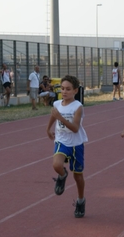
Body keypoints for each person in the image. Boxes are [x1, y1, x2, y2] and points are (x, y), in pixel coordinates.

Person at [46, 75, 88, 218]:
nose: (64, 92)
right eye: (62, 89)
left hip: (76, 144)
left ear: (75, 90)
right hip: (61, 141)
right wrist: (48, 128)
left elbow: (75, 128)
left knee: (78, 176)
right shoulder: (57, 104)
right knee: (56, 165)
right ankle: (62, 176)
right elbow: (54, 115)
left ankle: (81, 201)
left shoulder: (78, 107)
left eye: (68, 89)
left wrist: (60, 118)